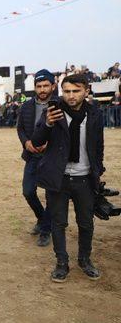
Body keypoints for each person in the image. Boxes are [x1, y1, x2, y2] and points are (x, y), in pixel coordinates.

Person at [32, 74, 105, 282]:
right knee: (58, 223)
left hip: (85, 179)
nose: (71, 96)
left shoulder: (95, 114)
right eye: (67, 91)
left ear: (86, 91)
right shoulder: (52, 112)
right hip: (59, 179)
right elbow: (37, 141)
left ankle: (85, 260)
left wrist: (97, 171)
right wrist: (46, 124)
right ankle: (61, 263)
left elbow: (98, 145)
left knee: (86, 223)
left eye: (76, 91)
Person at [16, 69, 54, 246]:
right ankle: (42, 219)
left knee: (51, 196)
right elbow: (20, 129)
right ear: (35, 88)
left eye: (46, 85)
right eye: (39, 86)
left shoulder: (60, 105)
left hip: (53, 157)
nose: (42, 89)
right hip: (32, 155)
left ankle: (46, 230)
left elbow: (67, 131)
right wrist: (26, 143)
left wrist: (50, 143)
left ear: (53, 86)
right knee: (28, 191)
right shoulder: (27, 106)